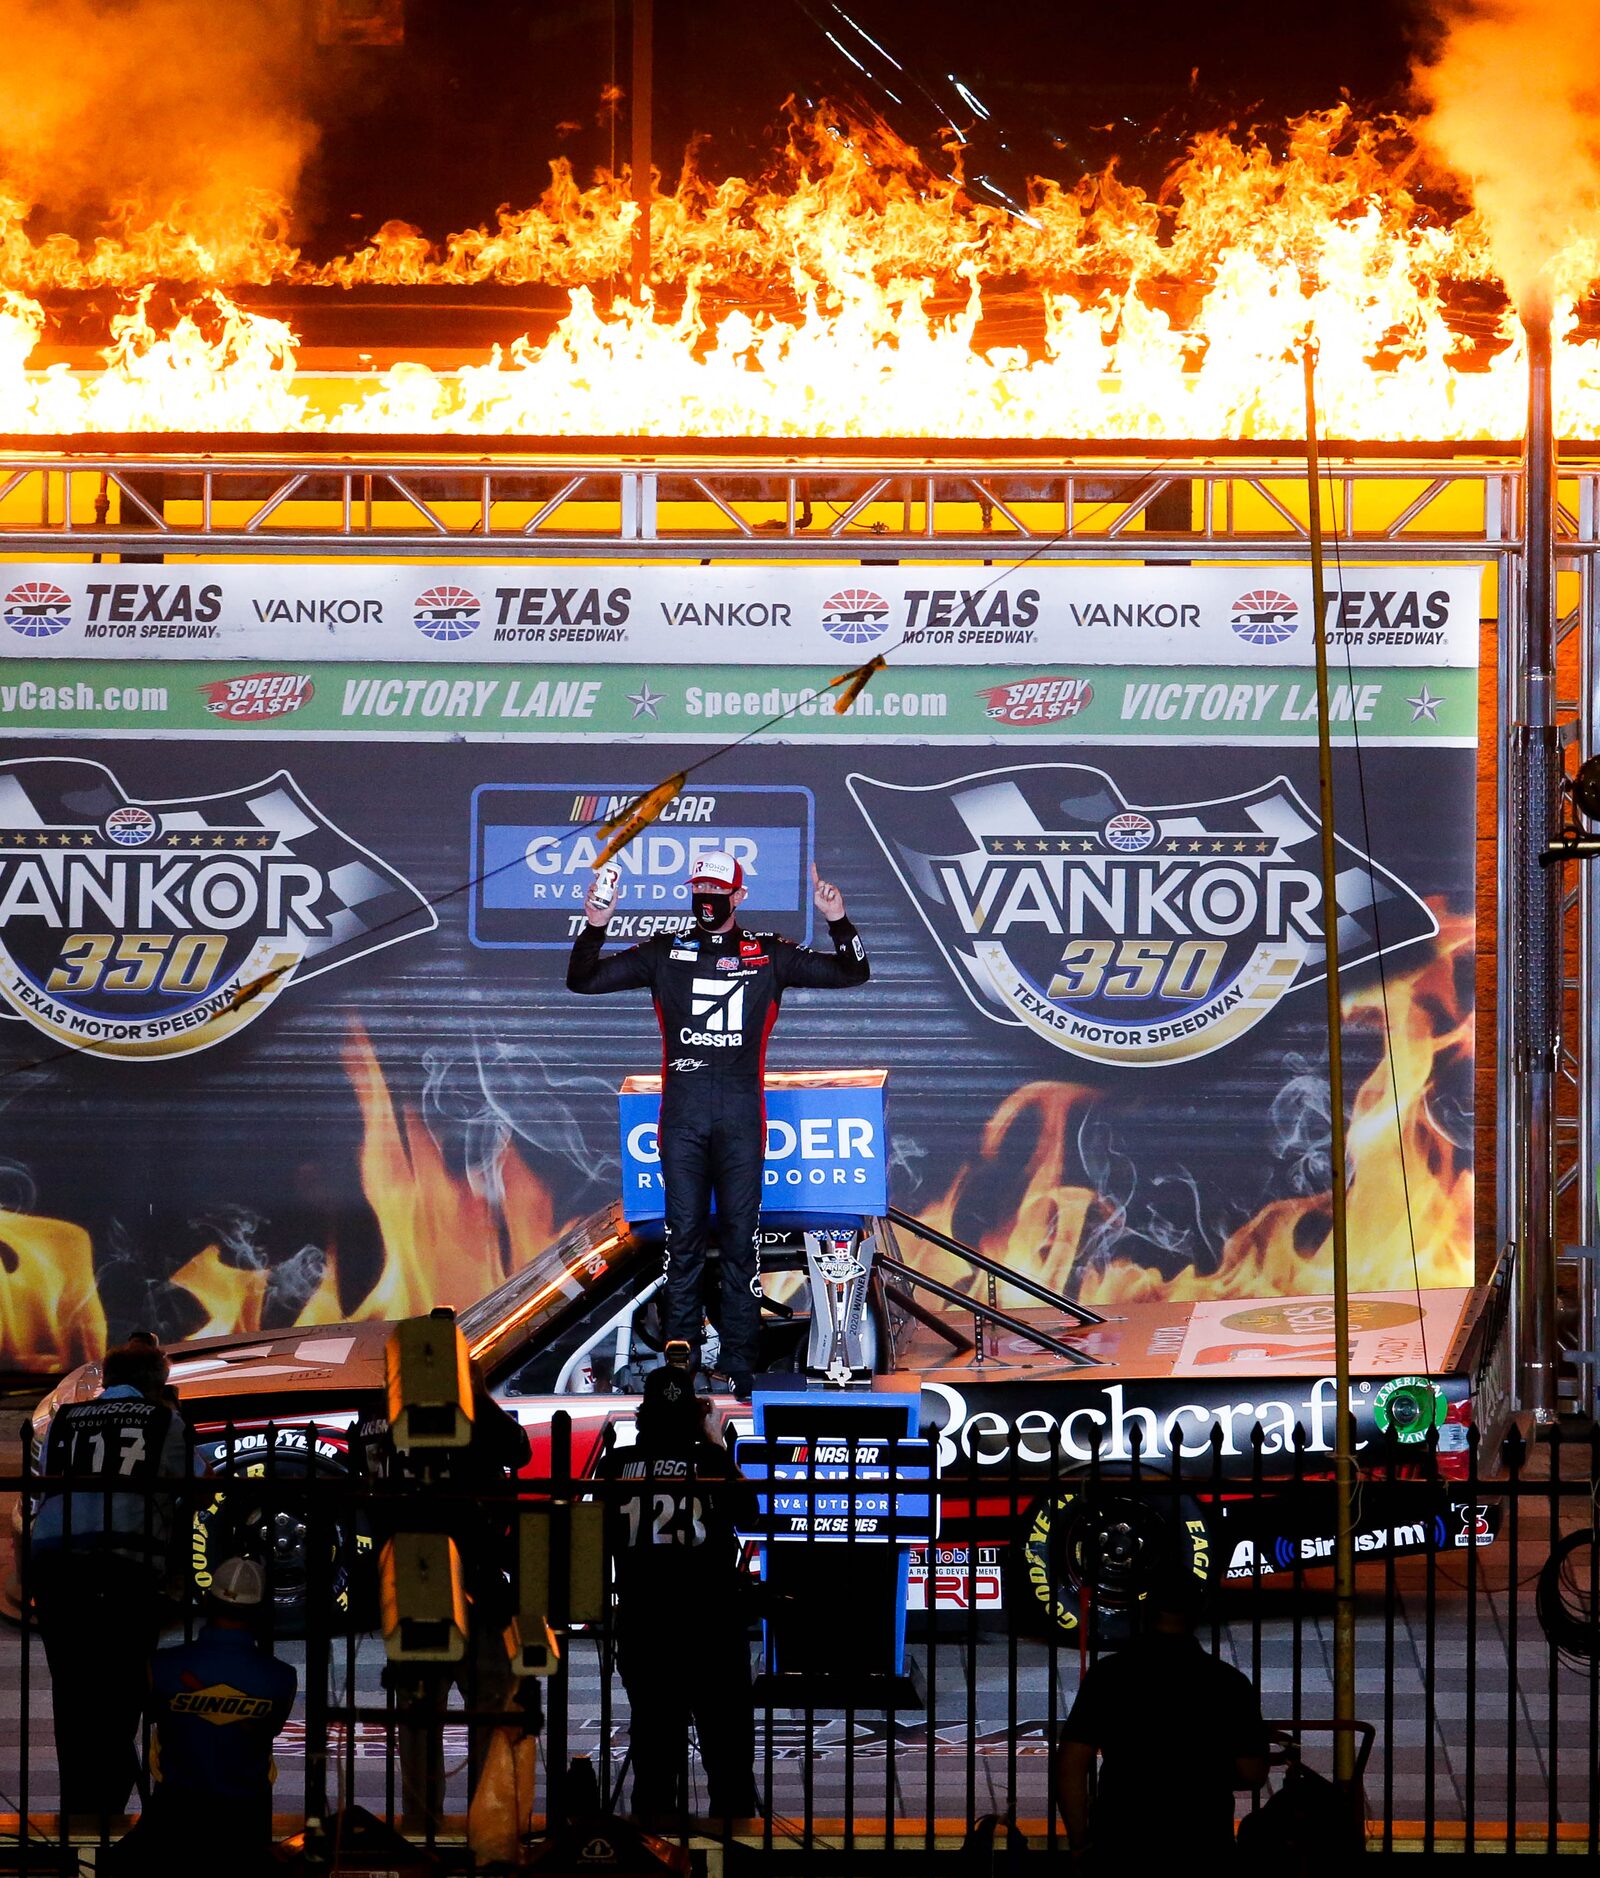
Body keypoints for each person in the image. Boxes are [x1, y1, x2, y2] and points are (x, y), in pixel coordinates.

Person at [568, 851, 869, 1396]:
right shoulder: (664, 951)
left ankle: (741, 1365)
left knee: (740, 1242)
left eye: (716, 890)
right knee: (682, 1242)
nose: (705, 899)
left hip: (740, 1121)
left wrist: (837, 919)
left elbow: (853, 971)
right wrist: (596, 922)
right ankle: (680, 1365)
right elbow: (582, 980)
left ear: (738, 896)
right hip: (681, 1120)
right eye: (697, 889)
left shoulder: (768, 954)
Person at [361, 1320, 537, 1835]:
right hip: (472, 1577)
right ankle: (490, 1826)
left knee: (419, 1711)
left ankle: (421, 1828)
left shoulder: (377, 1414)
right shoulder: (467, 1410)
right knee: (488, 1702)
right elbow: (518, 1449)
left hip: (409, 1578)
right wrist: (473, 1390)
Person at [30, 1337, 189, 1831]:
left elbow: (41, 1486)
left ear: (105, 1377)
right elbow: (193, 1484)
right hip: (124, 1569)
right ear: (158, 1382)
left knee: (73, 1693)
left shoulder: (64, 1419)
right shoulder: (165, 1422)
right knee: (122, 1696)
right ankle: (107, 1816)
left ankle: (79, 1807)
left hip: (58, 1571)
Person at [595, 1363, 758, 1823]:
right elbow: (750, 1515)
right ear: (693, 1415)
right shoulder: (710, 1462)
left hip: (645, 1627)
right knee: (727, 1754)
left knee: (655, 1750)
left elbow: (593, 1541)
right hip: (711, 1627)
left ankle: (656, 1847)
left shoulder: (613, 1467)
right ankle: (734, 1848)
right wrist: (715, 1443)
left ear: (642, 1415)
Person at [1055, 1566, 1269, 1867]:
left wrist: (1079, 1841)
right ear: (1198, 1612)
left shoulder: (1109, 1676)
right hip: (1203, 1843)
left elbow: (1071, 1766)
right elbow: (1253, 1772)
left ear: (1146, 1610)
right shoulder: (1228, 1683)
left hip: (1122, 1841)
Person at [110, 1556, 297, 1877]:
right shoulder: (280, 1677)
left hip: (173, 1822)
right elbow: (268, 1730)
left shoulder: (163, 1666)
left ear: (209, 1601)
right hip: (246, 1827)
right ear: (260, 1610)